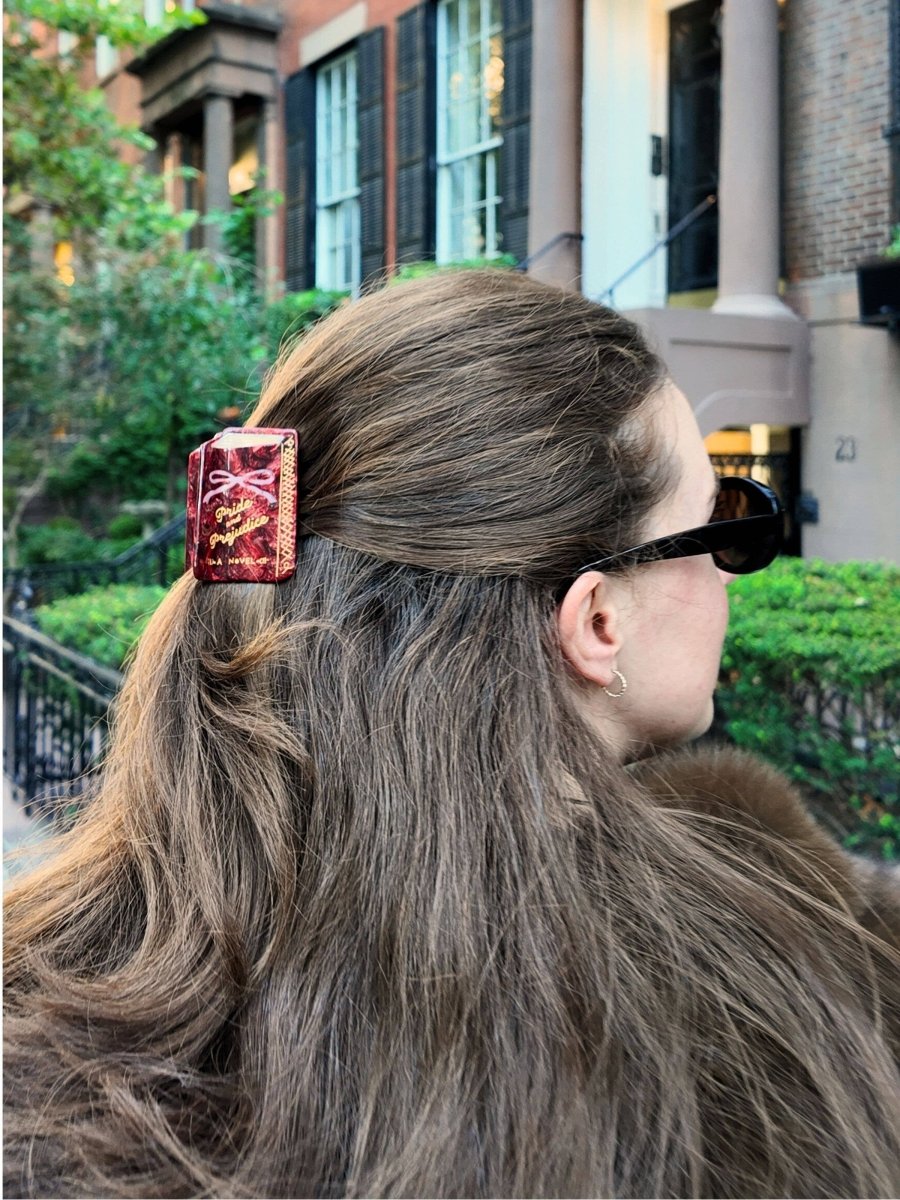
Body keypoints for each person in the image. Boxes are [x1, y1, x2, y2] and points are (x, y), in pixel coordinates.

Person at [4, 269, 899, 1199]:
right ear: (598, 621)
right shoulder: (796, 1022)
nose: (727, 573)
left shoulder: (39, 1009)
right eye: (718, 526)